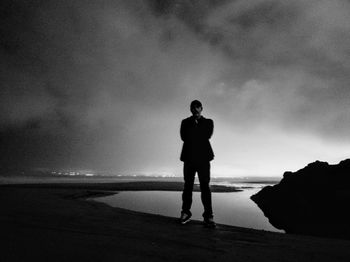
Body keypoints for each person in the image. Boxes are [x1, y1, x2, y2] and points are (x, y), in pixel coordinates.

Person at [179, 100, 216, 227]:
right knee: (187, 186)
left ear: (201, 108)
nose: (195, 109)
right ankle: (185, 213)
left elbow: (207, 135)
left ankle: (208, 216)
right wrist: (196, 132)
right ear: (190, 109)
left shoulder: (208, 122)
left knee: (205, 186)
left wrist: (194, 131)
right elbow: (184, 137)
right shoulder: (185, 122)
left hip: (203, 159)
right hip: (189, 158)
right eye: (193, 107)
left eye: (197, 107)